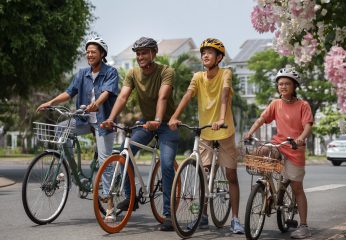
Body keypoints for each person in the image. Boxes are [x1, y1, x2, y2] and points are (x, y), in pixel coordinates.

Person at [36, 36, 119, 222]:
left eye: (93, 52)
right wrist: (50, 102)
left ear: (102, 54)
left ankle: (110, 206)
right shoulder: (82, 73)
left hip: (103, 121)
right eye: (88, 51)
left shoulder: (111, 72)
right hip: (82, 119)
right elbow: (69, 92)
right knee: (60, 129)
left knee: (105, 161)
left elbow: (107, 92)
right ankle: (71, 170)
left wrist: (96, 104)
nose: (89, 55)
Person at [101, 37, 179, 231]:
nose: (140, 57)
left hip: (166, 124)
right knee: (124, 155)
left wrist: (158, 121)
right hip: (145, 123)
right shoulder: (133, 73)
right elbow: (123, 96)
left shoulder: (166, 71)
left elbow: (163, 96)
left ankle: (168, 214)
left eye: (144, 52)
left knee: (168, 164)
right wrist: (110, 118)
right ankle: (131, 197)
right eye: (138, 54)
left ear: (154, 52)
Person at [168, 38, 244, 234]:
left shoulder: (225, 73)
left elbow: (225, 95)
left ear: (219, 58)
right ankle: (202, 215)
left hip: (224, 131)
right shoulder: (198, 77)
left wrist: (220, 118)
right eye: (203, 53)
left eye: (210, 53)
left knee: (231, 175)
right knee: (204, 173)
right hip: (205, 132)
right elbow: (187, 95)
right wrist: (174, 117)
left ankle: (235, 219)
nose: (205, 55)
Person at [244, 66, 313, 239]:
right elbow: (262, 119)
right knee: (261, 150)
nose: (283, 87)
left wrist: (300, 139)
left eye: (287, 84)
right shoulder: (275, 104)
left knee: (297, 187)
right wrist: (250, 132)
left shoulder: (303, 105)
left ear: (294, 86)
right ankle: (267, 187)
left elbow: (308, 126)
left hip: (295, 149)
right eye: (280, 84)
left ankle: (304, 226)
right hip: (279, 144)